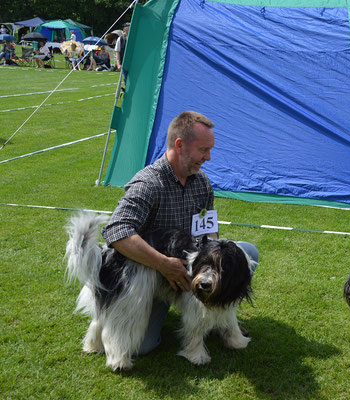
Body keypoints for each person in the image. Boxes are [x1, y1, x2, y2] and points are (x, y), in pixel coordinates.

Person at [102, 110, 259, 355]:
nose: (208, 157)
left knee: (247, 253)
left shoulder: (202, 182)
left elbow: (208, 232)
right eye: (203, 150)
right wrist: (164, 264)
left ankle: (219, 314)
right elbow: (116, 231)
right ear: (180, 145)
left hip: (189, 267)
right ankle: (116, 314)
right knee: (142, 347)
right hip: (148, 276)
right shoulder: (148, 184)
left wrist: (213, 266)